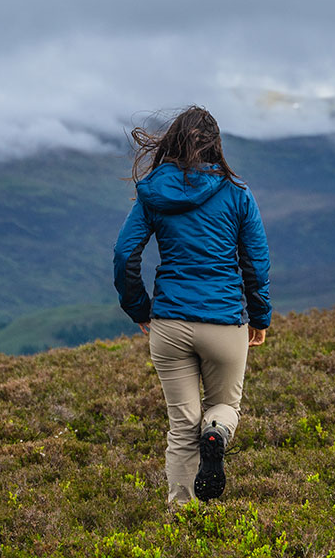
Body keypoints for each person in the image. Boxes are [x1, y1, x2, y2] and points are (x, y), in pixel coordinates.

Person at [113, 106, 271, 505]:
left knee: (181, 427)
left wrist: (140, 308)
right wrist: (259, 315)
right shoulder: (237, 192)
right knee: (223, 406)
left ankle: (182, 519)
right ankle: (216, 432)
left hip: (169, 324)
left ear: (173, 142)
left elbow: (124, 254)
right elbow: (255, 260)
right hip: (224, 323)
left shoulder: (152, 191)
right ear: (215, 145)